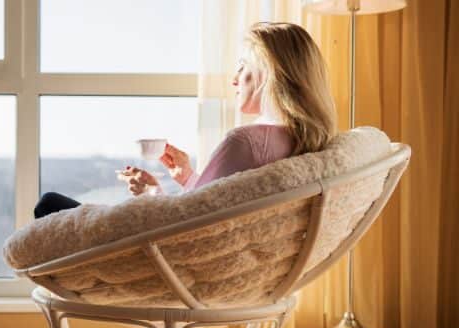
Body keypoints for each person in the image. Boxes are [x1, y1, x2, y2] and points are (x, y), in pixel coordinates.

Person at [34, 22, 337, 219]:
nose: (233, 79)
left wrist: (150, 192)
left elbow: (183, 224)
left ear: (269, 73)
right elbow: (208, 209)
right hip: (207, 259)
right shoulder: (300, 141)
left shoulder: (246, 142)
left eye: (242, 67)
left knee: (48, 204)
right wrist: (187, 177)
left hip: (162, 259)